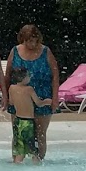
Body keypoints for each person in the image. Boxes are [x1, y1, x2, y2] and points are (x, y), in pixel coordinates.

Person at [11, 24, 61, 163]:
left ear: (38, 39)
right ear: (22, 39)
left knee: (40, 133)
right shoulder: (15, 51)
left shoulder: (46, 52)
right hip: (20, 98)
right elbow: (8, 74)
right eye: (27, 41)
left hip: (42, 94)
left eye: (33, 40)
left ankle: (39, 161)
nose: (31, 44)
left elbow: (55, 74)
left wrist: (55, 98)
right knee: (18, 132)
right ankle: (16, 162)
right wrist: (7, 96)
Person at [4, 66, 38, 164]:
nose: (30, 78)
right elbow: (38, 102)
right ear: (23, 78)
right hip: (28, 122)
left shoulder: (11, 88)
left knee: (20, 148)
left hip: (18, 121)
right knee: (33, 149)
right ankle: (37, 166)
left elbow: (11, 102)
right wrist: (47, 102)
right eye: (28, 76)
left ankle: (17, 164)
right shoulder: (29, 89)